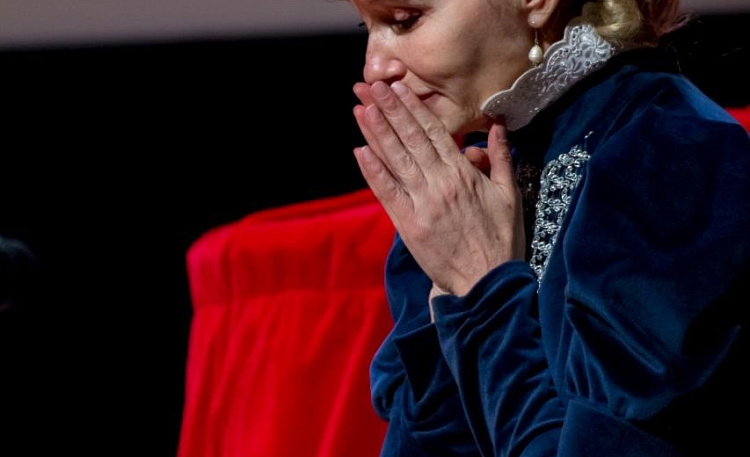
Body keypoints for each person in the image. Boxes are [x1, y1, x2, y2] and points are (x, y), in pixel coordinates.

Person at [343, 0, 750, 456]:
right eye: (366, 25)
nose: (373, 68)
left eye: (405, 20)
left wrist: (482, 292)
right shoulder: (467, 184)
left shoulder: (673, 154)